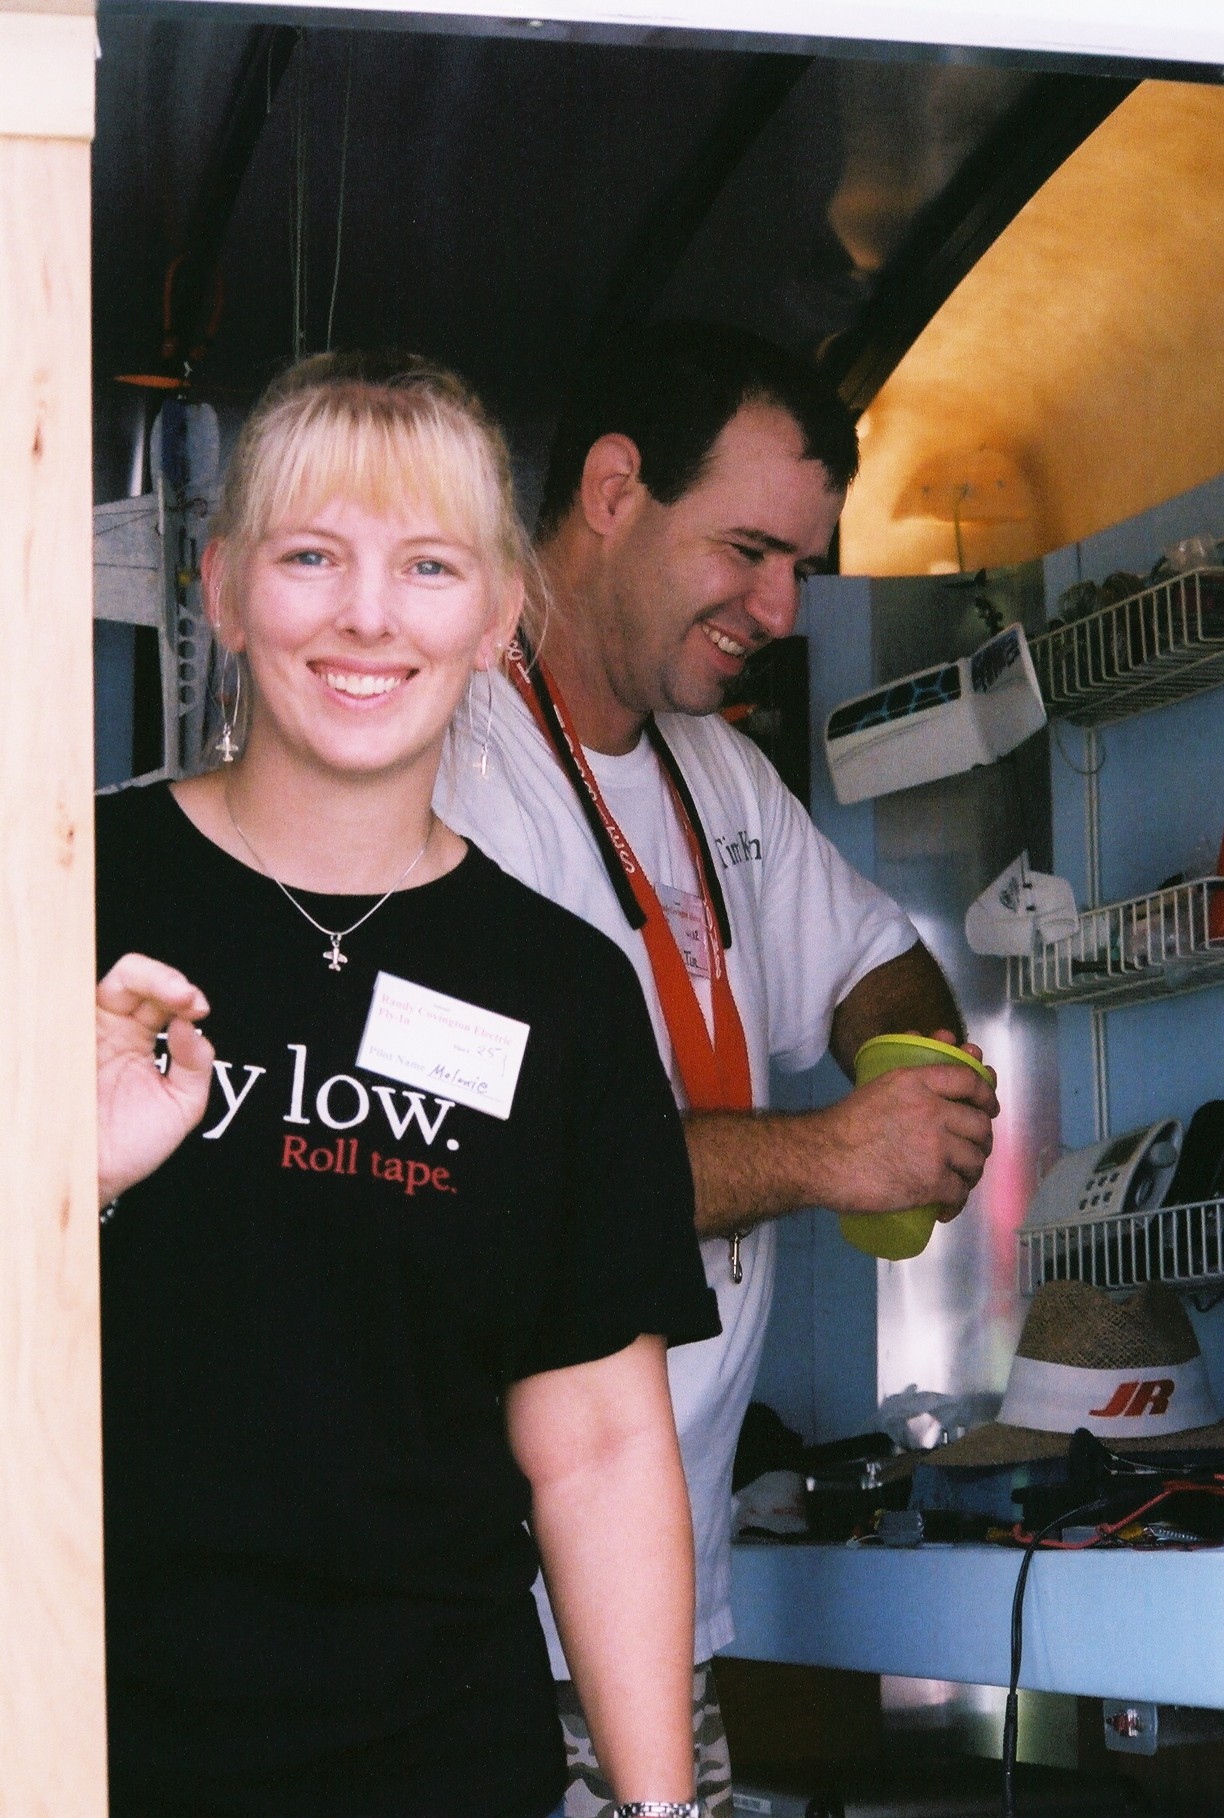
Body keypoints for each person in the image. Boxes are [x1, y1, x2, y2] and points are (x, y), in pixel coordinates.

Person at [94, 350, 722, 1818]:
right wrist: (73, 1185)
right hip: (87, 1742)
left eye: (428, 565)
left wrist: (658, 1808)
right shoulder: (68, 896)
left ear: (499, 617)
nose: (367, 615)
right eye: (312, 555)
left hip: (441, 1764)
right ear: (222, 589)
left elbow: (599, 1448)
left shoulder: (561, 991)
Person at [437, 320, 1000, 1817]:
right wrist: (830, 1154)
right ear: (612, 489)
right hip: (489, 1608)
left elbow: (876, 955)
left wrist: (915, 1082)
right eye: (748, 550)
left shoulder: (721, 771)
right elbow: (506, 1171)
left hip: (664, 1585)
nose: (780, 606)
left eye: (801, 564)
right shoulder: (447, 756)